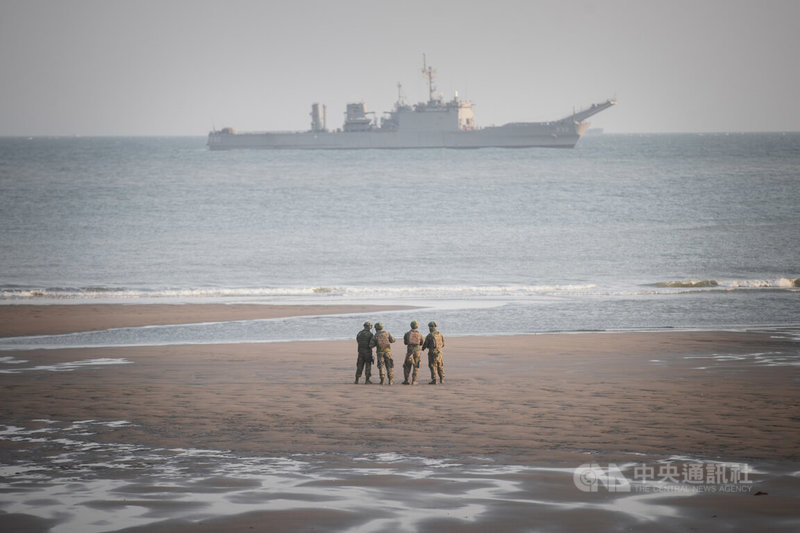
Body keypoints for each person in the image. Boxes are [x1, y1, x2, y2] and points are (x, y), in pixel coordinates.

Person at [402, 320, 424, 385]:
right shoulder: (420, 334)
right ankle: (414, 381)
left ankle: (406, 380)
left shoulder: (407, 333)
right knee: (416, 366)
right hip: (417, 352)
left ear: (411, 326)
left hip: (409, 352)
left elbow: (405, 343)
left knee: (407, 366)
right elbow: (421, 343)